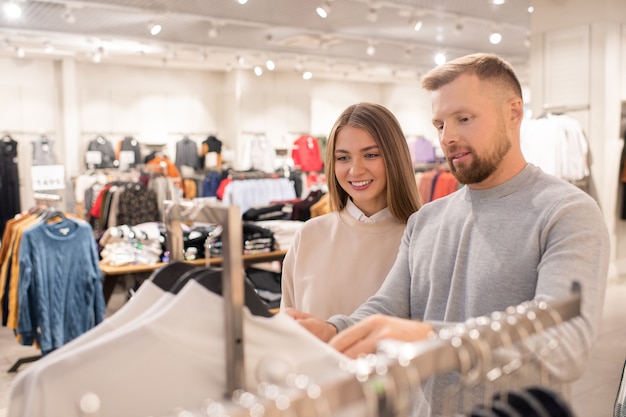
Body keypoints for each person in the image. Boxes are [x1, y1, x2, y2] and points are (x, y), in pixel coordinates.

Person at [285, 53, 610, 414]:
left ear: (514, 112)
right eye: (440, 125)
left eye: (464, 119)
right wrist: (334, 331)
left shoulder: (567, 213)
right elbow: (387, 306)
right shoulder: (427, 219)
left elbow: (563, 348)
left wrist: (430, 339)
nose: (448, 137)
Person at [280, 102, 422, 319]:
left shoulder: (421, 239)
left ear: (395, 158)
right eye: (343, 158)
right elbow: (289, 331)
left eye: (371, 155)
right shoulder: (308, 236)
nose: (356, 170)